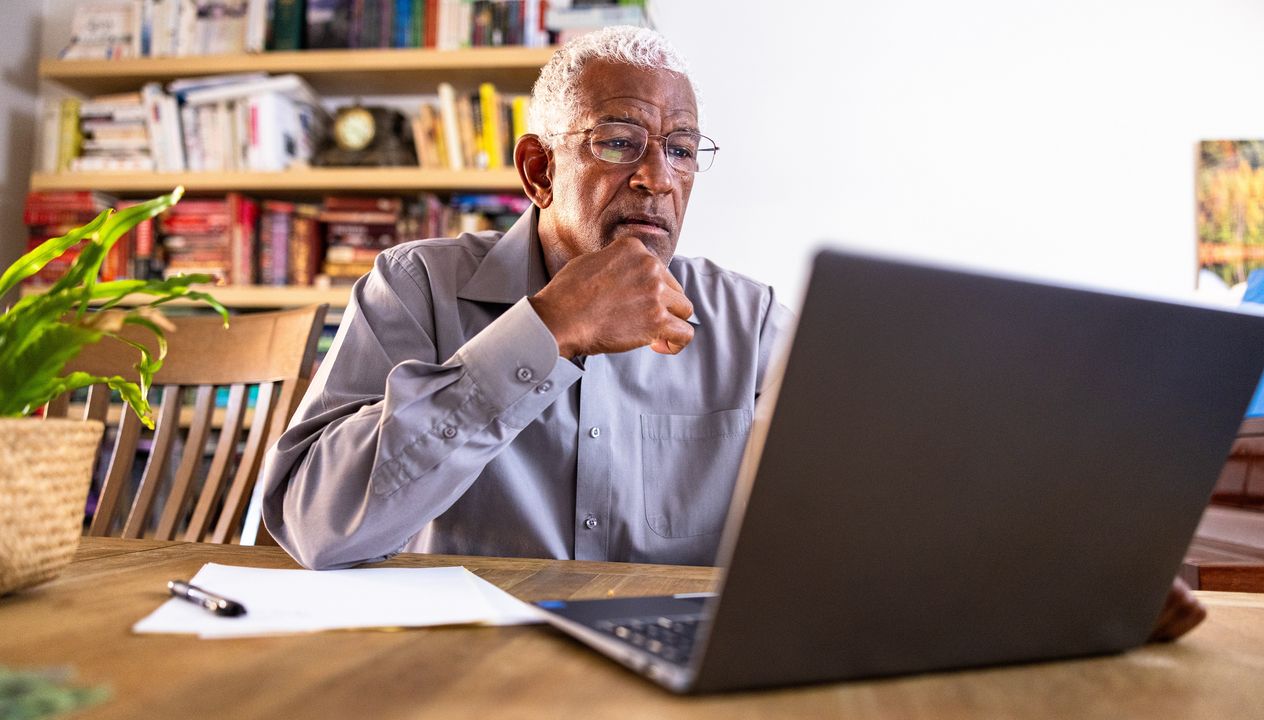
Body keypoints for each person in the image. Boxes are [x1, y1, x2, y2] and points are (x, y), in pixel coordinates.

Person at [259, 25, 1204, 642]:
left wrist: (1075, 576)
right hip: (460, 675)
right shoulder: (418, 284)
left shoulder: (748, 321)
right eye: (621, 141)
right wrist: (545, 330)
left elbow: (873, 508)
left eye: (680, 150)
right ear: (540, 170)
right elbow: (310, 524)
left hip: (674, 680)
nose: (657, 179)